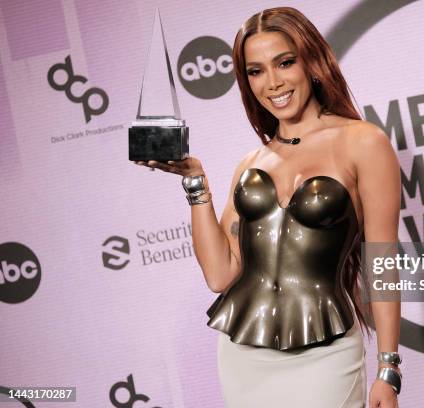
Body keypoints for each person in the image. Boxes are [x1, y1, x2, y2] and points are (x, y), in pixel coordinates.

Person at [135, 7, 401, 408]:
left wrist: (388, 367)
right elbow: (220, 275)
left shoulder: (363, 143)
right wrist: (195, 182)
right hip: (245, 354)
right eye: (256, 71)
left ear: (311, 62)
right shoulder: (252, 164)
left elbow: (381, 262)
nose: (272, 83)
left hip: (325, 354)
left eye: (285, 63)